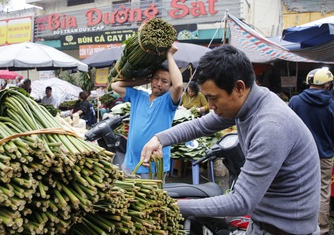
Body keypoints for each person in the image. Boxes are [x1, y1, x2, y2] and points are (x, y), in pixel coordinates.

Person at [140, 45, 320, 235]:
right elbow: (200, 125)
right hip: (262, 224)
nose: (210, 106)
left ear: (239, 87)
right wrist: (159, 139)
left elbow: (240, 201)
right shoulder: (248, 102)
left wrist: (172, 205)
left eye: (213, 98)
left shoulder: (271, 126)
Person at [111, 43, 183, 180]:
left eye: (164, 81)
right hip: (130, 163)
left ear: (169, 85)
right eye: (156, 78)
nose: (159, 83)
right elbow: (115, 85)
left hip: (154, 166)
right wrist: (141, 80)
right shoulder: (138, 96)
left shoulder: (168, 101)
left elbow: (179, 85)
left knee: (151, 201)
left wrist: (169, 55)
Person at [288, 67, 334, 235]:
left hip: (298, 157)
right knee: (322, 192)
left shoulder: (295, 101)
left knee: (299, 189)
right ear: (327, 84)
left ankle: (299, 226)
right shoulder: (331, 104)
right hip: (323, 155)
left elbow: (289, 128)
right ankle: (322, 229)